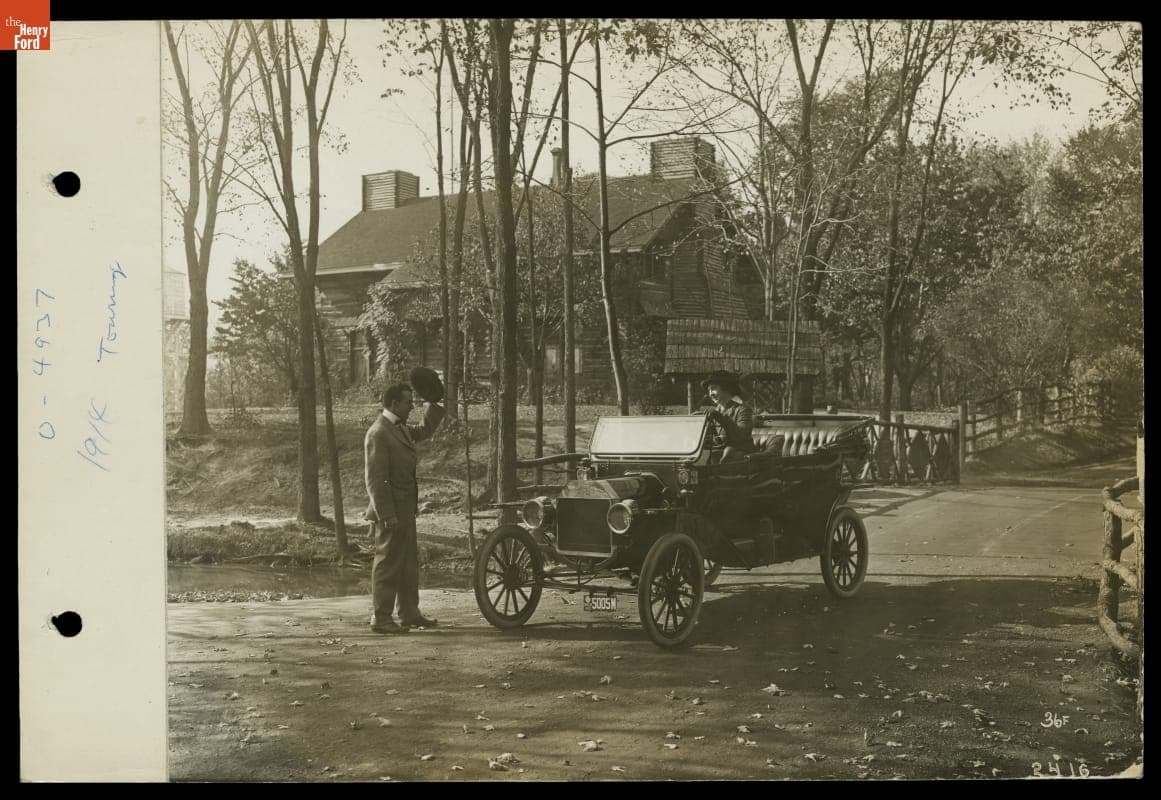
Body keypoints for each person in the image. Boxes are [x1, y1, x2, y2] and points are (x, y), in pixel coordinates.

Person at [364, 380, 445, 634]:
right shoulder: (379, 432)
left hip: (406, 509)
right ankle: (381, 618)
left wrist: (434, 403)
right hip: (390, 511)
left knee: (408, 563)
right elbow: (376, 480)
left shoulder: (399, 428)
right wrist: (386, 514)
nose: (412, 407)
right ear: (394, 403)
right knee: (387, 563)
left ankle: (409, 613)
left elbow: (423, 430)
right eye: (408, 402)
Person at [700, 370, 755, 463]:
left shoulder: (743, 409)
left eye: (713, 388)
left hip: (739, 454)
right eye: (709, 390)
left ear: (726, 387)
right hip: (719, 451)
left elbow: (740, 436)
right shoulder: (715, 412)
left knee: (721, 456)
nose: (710, 393)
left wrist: (719, 417)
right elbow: (713, 437)